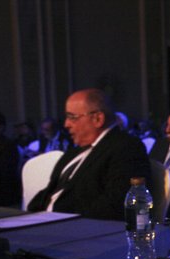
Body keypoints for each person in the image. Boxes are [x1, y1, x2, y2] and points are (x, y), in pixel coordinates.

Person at [28, 88, 150, 220]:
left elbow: (118, 203)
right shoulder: (73, 152)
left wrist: (60, 218)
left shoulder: (126, 148)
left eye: (72, 117)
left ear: (98, 119)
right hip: (45, 221)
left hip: (78, 228)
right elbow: (51, 191)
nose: (66, 124)